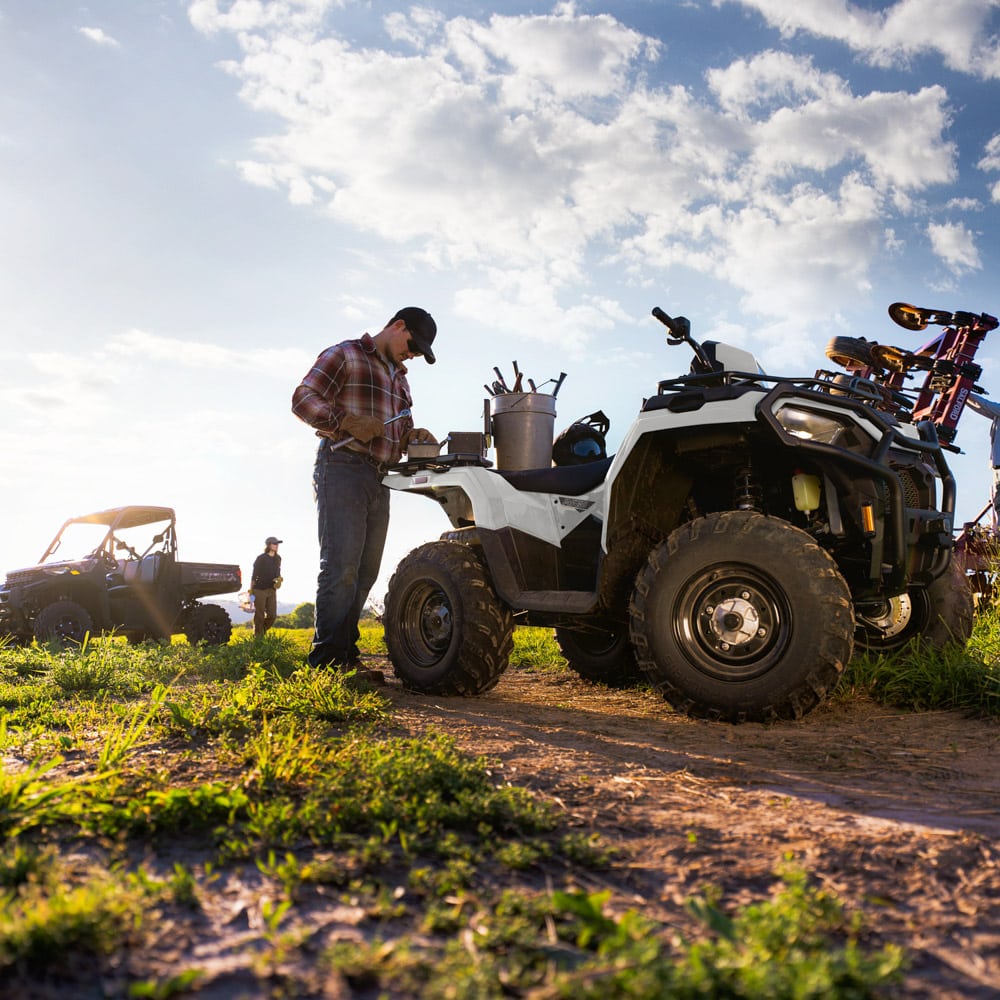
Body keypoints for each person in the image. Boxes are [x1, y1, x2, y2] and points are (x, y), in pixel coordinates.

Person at [291, 306, 438, 682]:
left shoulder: (402, 381)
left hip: (379, 477)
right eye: (412, 345)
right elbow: (303, 398)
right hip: (341, 469)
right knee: (342, 567)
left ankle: (344, 655)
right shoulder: (346, 353)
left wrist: (413, 438)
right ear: (398, 325)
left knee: (365, 573)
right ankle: (326, 662)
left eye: (419, 353)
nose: (413, 354)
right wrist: (344, 421)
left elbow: (399, 431)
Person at [250, 536, 283, 637]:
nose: (276, 545)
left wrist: (279, 579)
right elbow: (254, 575)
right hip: (259, 590)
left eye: (277, 544)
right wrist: (251, 591)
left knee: (272, 616)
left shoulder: (278, 558)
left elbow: (277, 573)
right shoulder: (261, 558)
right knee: (259, 616)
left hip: (272, 590)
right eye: (274, 543)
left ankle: (260, 632)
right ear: (269, 545)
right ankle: (258, 638)